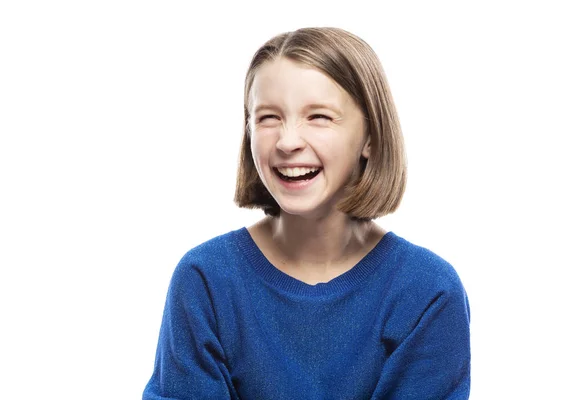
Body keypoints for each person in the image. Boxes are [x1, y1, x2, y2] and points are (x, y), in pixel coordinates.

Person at [142, 27, 470, 400]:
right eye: (268, 118)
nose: (287, 141)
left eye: (319, 117)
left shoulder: (428, 291)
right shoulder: (205, 280)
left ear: (370, 138)